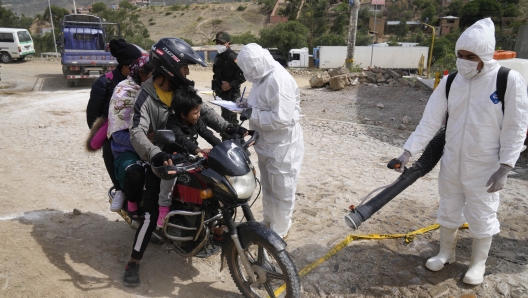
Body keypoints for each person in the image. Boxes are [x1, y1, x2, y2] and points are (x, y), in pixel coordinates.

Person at [393, 18, 528, 285]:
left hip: (486, 165)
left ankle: (477, 263)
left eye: (470, 56)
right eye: (460, 55)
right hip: (452, 160)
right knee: (449, 207)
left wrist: (506, 166)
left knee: (482, 213)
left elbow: (516, 125)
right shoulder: (451, 81)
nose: (463, 60)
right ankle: (446, 253)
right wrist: (408, 152)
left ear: (486, 56)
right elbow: (430, 120)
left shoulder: (507, 80)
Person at [123, 37, 238, 287]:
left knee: (220, 190)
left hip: (189, 155)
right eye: (185, 66)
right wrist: (154, 153)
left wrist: (230, 128)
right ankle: (134, 261)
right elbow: (136, 132)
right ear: (169, 68)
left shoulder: (182, 88)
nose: (187, 72)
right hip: (163, 160)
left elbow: (204, 112)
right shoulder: (146, 96)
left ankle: (215, 232)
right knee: (152, 215)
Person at [236, 43, 305, 239]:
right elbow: (261, 104)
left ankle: (280, 229)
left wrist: (252, 113)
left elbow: (281, 119)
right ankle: (269, 220)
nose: (246, 74)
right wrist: (246, 104)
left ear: (255, 66)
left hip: (282, 146)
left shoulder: (279, 80)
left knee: (282, 189)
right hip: (266, 144)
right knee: (267, 186)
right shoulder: (261, 78)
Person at [86, 39, 142, 211]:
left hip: (136, 127)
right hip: (112, 130)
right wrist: (105, 137)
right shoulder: (105, 82)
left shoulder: (140, 80)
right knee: (110, 151)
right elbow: (92, 114)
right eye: (136, 65)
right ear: (126, 66)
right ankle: (119, 190)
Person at [157, 88, 222, 228]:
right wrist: (197, 149)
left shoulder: (196, 121)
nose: (199, 115)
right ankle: (163, 208)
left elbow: (206, 132)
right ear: (182, 114)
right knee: (168, 179)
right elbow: (181, 139)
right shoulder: (172, 123)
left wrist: (222, 146)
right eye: (195, 113)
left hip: (191, 157)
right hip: (174, 158)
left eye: (199, 111)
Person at [107, 56, 153, 215]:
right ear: (142, 73)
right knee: (135, 173)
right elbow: (118, 135)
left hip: (153, 144)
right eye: (154, 74)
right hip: (127, 149)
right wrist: (147, 142)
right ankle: (131, 204)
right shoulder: (124, 91)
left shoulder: (155, 89)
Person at [212, 31, 246, 140]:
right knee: (225, 122)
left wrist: (231, 84)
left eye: (221, 43)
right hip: (223, 94)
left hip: (231, 94)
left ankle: (237, 147)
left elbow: (245, 74)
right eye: (217, 42)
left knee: (231, 123)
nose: (219, 45)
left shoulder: (232, 56)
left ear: (228, 43)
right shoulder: (219, 55)